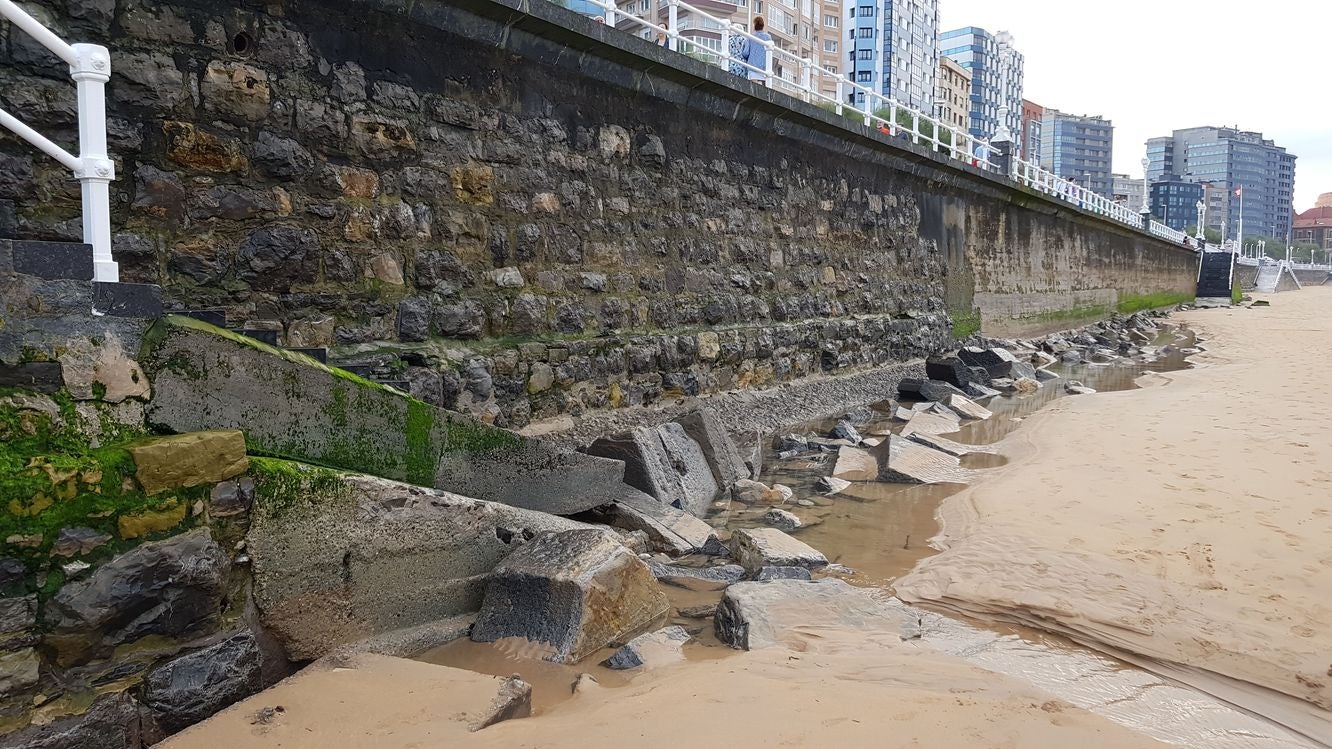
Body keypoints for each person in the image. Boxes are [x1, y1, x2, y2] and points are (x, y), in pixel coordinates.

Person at [741, 16, 772, 86]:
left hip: (753, 66)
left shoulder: (750, 37)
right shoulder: (768, 37)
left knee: (754, 88)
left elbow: (745, 53)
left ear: (754, 25)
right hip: (764, 67)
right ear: (763, 25)